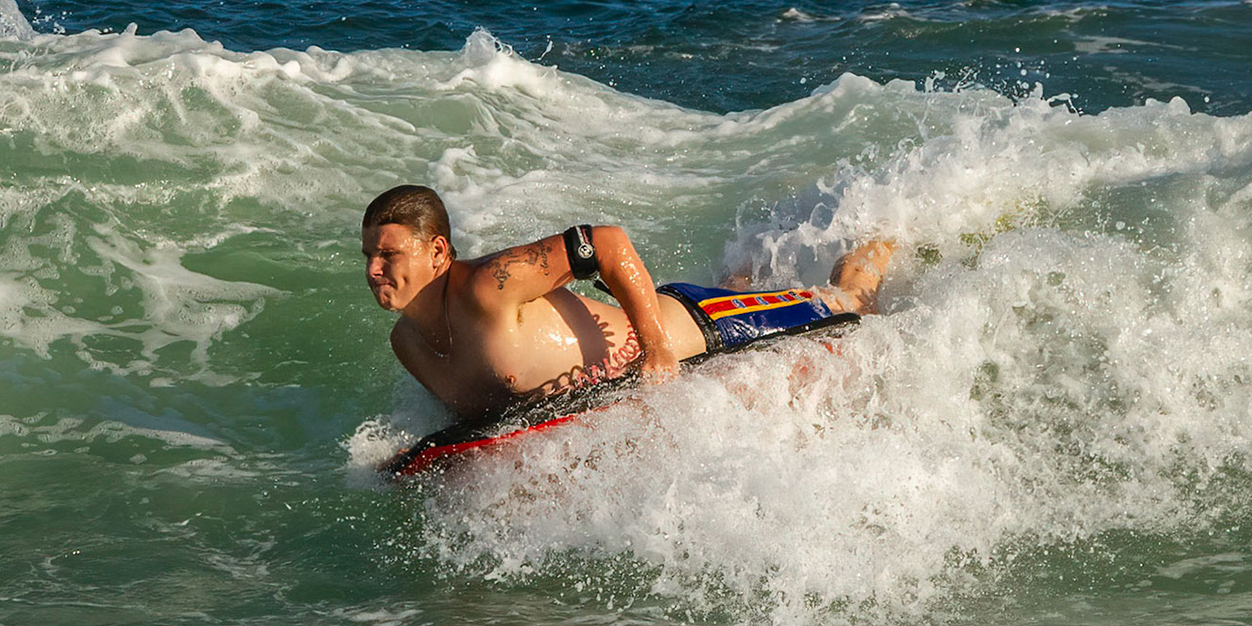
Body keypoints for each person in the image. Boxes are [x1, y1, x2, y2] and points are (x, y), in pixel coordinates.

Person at [361, 184, 892, 422]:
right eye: (367, 256)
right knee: (737, 286)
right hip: (667, 318)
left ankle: (887, 235)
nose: (373, 270)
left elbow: (607, 243)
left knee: (849, 307)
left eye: (388, 254)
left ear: (436, 252)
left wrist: (657, 348)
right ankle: (752, 257)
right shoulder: (407, 343)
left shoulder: (489, 286)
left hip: (700, 332)